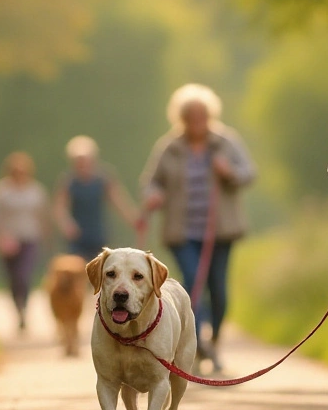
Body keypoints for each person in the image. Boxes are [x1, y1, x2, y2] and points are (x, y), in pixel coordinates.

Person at [141, 83, 256, 373]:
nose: (197, 123)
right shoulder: (169, 147)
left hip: (220, 230)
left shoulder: (225, 142)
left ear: (210, 115)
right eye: (191, 117)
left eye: (202, 116)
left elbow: (249, 173)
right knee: (192, 281)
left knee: (219, 290)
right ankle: (199, 344)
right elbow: (151, 181)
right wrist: (153, 195)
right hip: (183, 232)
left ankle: (212, 339)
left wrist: (228, 172)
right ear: (181, 118)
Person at [0, 151, 49, 331]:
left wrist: (45, 237)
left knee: (24, 275)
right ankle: (18, 310)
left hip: (30, 238)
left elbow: (42, 215)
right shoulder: (0, 191)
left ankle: (25, 308)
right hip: (8, 240)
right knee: (13, 278)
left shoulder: (36, 190)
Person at [53, 135, 139, 261]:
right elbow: (59, 208)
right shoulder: (69, 182)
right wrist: (67, 225)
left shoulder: (103, 179)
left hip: (98, 234)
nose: (82, 165)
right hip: (77, 237)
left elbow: (119, 201)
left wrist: (134, 220)